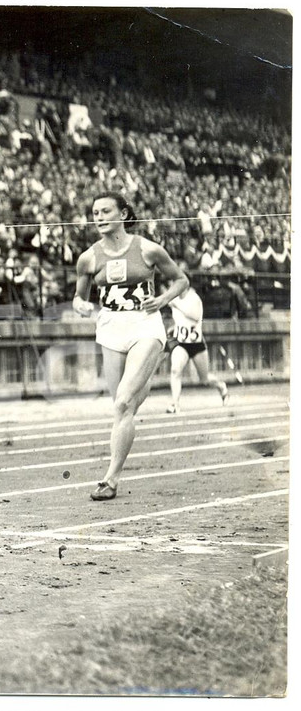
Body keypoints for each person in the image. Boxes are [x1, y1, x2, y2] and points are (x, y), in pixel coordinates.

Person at [72, 191, 188, 501]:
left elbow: (181, 280)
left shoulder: (148, 249)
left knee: (123, 403)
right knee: (124, 407)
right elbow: (79, 297)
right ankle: (146, 375)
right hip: (110, 328)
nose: (99, 217)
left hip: (145, 325)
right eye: (95, 212)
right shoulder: (88, 258)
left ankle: (111, 479)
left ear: (123, 214)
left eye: (106, 211)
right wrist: (80, 305)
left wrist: (162, 299)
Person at [166, 284, 229, 414]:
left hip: (196, 343)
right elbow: (181, 320)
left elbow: (195, 316)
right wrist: (174, 328)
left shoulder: (194, 298)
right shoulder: (175, 299)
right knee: (175, 370)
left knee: (204, 379)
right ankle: (175, 404)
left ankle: (221, 386)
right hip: (181, 343)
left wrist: (176, 305)